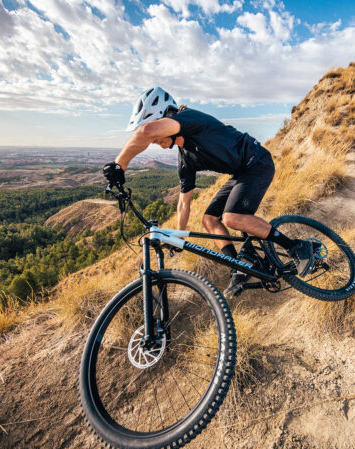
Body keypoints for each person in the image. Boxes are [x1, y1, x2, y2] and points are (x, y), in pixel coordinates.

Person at [103, 87, 314, 297]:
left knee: (232, 218)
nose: (153, 140)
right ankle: (238, 267)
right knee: (209, 220)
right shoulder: (184, 160)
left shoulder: (191, 118)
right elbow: (184, 203)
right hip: (240, 173)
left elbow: (147, 132)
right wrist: (178, 237)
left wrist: (119, 165)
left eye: (154, 124)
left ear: (168, 116)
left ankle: (297, 247)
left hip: (257, 162)